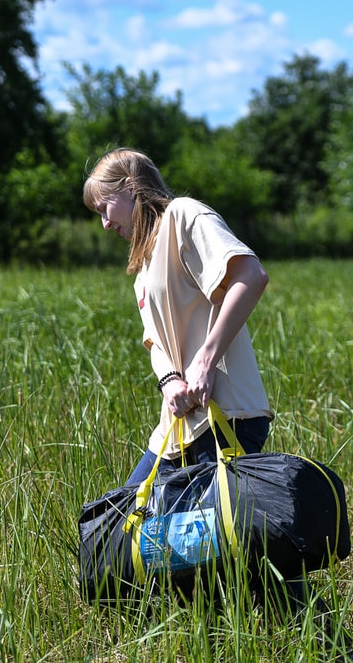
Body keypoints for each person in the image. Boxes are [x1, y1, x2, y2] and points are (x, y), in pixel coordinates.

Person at [82, 147, 273, 484]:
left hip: (227, 416)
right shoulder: (142, 267)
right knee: (120, 523)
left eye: (105, 208)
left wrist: (205, 361)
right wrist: (169, 381)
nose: (105, 223)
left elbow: (251, 276)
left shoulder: (183, 216)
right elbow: (155, 341)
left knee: (217, 535)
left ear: (130, 187)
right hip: (176, 429)